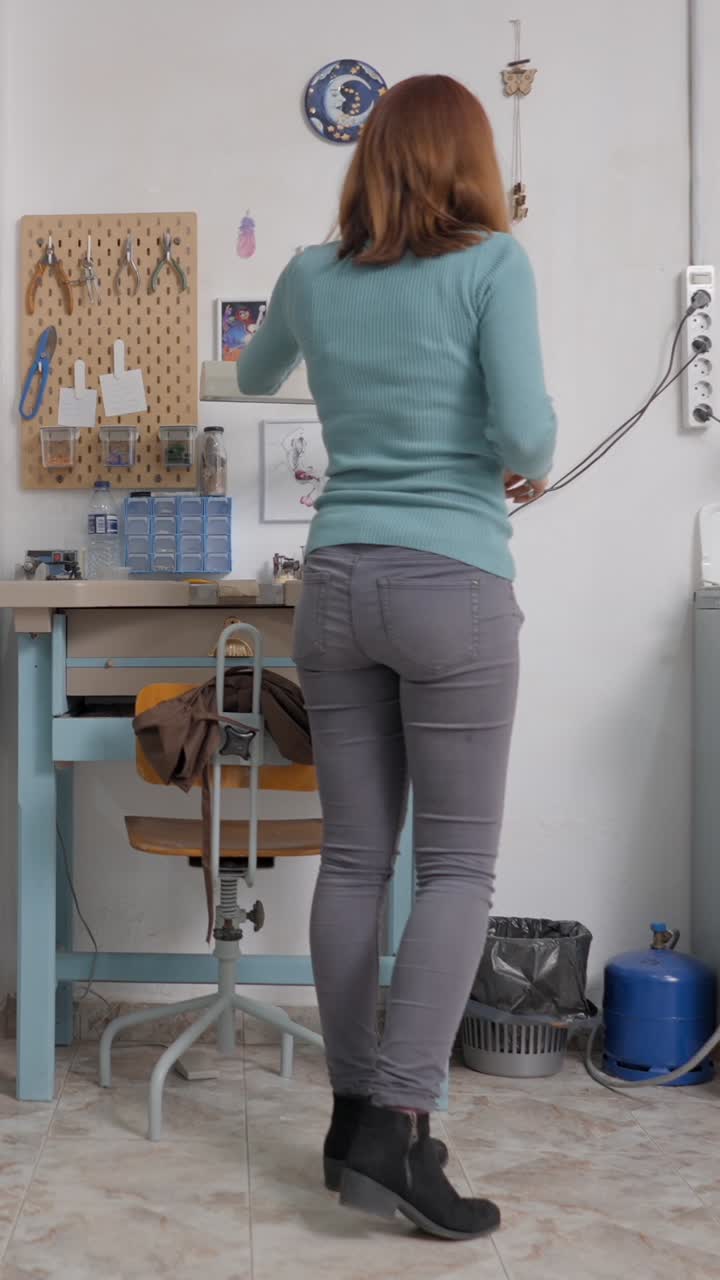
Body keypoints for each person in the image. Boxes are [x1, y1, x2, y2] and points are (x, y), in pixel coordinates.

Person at [237, 73, 556, 1241]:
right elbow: (525, 431)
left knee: (358, 858)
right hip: (452, 586)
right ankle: (403, 1127)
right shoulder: (492, 265)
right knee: (458, 867)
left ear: (369, 158)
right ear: (469, 161)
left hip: (335, 586)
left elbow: (256, 374)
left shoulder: (315, 274)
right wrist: (532, 455)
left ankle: (349, 1112)